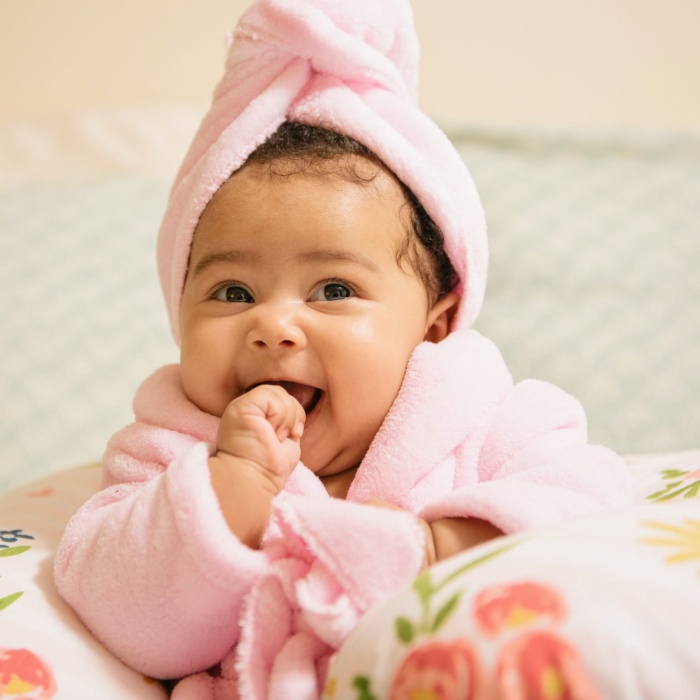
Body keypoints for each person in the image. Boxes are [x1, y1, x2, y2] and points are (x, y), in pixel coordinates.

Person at [55, 1, 631, 698]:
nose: (274, 326)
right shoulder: (168, 456)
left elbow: (593, 506)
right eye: (232, 293)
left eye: (332, 288)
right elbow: (119, 609)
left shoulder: (493, 426)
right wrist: (229, 490)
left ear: (434, 325)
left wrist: (439, 545)